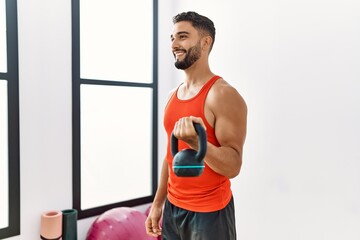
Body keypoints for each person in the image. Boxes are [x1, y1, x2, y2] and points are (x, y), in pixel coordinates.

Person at [145, 11, 247, 240]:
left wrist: (198, 143)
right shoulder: (173, 95)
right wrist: (158, 203)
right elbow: (170, 157)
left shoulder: (222, 95)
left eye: (182, 37)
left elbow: (234, 166)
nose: (174, 44)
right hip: (173, 208)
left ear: (205, 41)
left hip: (210, 214)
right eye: (172, 38)